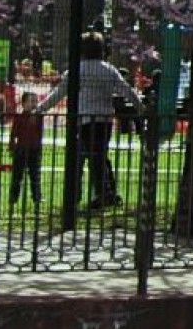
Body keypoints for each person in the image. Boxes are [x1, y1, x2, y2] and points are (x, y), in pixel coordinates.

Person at [40, 33, 138, 212]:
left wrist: (40, 109)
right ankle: (104, 193)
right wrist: (140, 106)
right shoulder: (109, 70)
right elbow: (126, 89)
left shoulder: (77, 70)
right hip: (105, 120)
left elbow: (59, 93)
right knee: (99, 156)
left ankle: (85, 195)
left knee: (84, 157)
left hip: (85, 119)